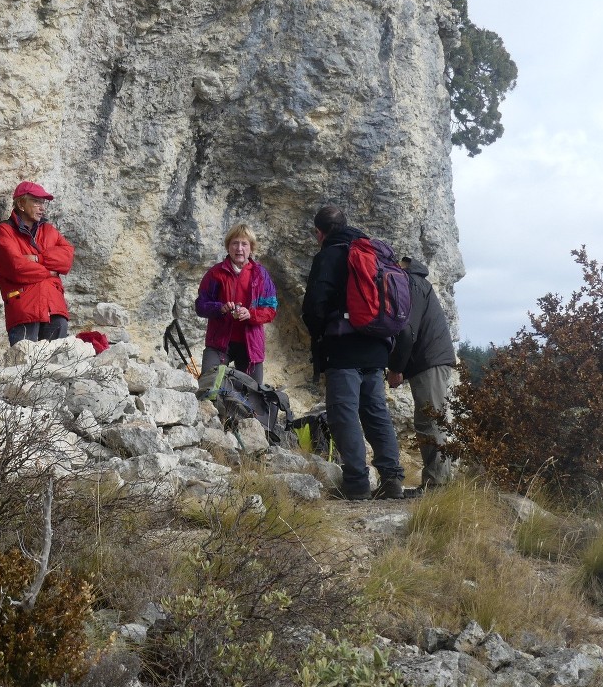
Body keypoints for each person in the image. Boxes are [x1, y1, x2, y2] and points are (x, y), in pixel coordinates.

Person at [301, 205, 405, 500]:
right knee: (375, 412)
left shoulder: (329, 254)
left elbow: (314, 305)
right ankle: (392, 480)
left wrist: (319, 334)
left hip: (343, 346)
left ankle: (357, 483)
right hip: (376, 345)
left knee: (343, 413)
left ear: (319, 233)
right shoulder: (372, 252)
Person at [387, 257, 458, 491]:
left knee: (431, 421)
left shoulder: (412, 283)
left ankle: (437, 483)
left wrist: (396, 369)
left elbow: (407, 331)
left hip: (430, 361)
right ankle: (438, 480)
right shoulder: (417, 282)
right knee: (431, 419)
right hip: (432, 359)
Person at [0, 181, 74, 345]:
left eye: (43, 202)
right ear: (21, 204)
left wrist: (38, 259)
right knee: (24, 367)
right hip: (24, 308)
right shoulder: (4, 231)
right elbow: (17, 268)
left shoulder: (49, 230)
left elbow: (67, 259)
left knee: (57, 368)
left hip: (54, 308)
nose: (42, 207)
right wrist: (50, 272)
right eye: (36, 201)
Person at [194, 223, 278, 386]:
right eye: (235, 243)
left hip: (250, 345)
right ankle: (216, 411)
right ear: (228, 247)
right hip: (219, 343)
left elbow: (271, 309)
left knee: (253, 396)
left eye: (244, 244)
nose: (239, 248)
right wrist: (220, 308)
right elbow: (201, 305)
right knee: (210, 388)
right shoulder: (216, 273)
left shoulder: (260, 275)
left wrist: (251, 314)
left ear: (251, 248)